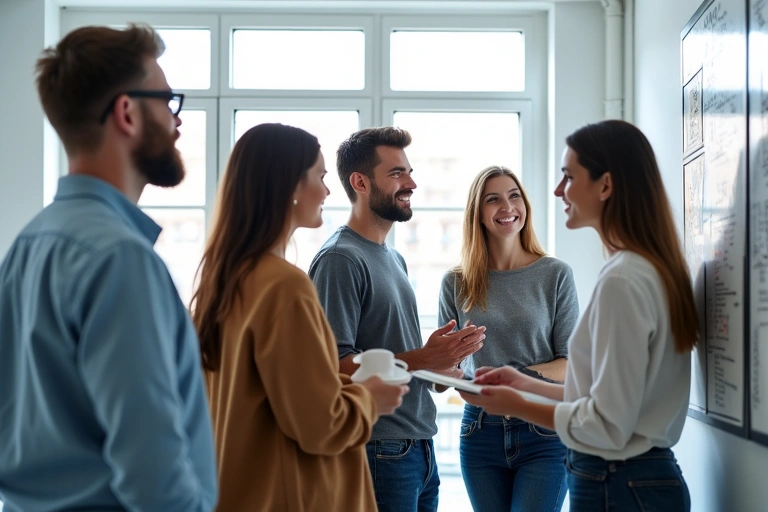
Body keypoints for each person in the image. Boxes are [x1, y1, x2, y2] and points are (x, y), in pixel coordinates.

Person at [0, 24, 217, 512]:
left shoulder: (27, 246)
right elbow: (153, 475)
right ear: (127, 112)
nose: (176, 121)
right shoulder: (120, 259)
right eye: (167, 101)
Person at [460, 120, 698, 512]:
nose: (557, 191)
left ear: (605, 186)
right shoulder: (643, 268)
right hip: (634, 479)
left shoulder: (623, 279)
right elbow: (604, 398)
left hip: (620, 482)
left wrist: (515, 403)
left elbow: (605, 422)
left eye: (568, 177)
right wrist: (524, 382)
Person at [191, 123, 408, 512]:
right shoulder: (283, 286)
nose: (327, 190)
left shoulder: (221, 281)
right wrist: (369, 397)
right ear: (290, 186)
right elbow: (319, 425)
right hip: (288, 495)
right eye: (320, 177)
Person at [308, 126, 486, 512]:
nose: (412, 183)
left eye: (408, 171)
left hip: (419, 446)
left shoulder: (393, 257)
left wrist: (439, 365)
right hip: (378, 447)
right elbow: (332, 366)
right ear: (360, 182)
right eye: (396, 174)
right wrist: (424, 358)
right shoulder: (340, 259)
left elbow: (391, 358)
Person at [438, 165, 579, 512]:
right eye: (493, 199)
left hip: (543, 431)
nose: (507, 207)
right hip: (479, 431)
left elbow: (570, 363)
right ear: (478, 213)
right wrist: (442, 370)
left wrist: (514, 381)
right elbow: (444, 375)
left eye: (514, 196)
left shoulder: (554, 274)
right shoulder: (455, 282)